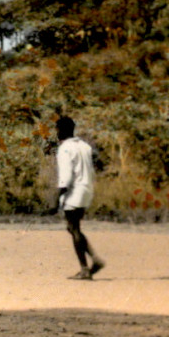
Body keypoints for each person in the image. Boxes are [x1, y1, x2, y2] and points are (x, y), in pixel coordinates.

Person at [55, 115, 105, 280]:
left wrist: (58, 198)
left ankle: (85, 268)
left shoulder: (65, 148)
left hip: (73, 190)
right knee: (73, 228)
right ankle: (94, 260)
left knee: (74, 228)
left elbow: (66, 176)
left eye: (57, 129)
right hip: (86, 188)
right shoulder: (84, 146)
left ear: (61, 130)